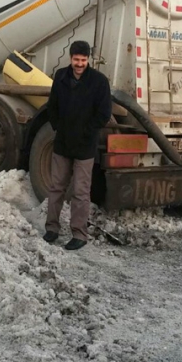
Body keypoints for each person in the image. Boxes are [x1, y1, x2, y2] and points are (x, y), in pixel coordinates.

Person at [44, 40, 112, 251]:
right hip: (63, 143)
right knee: (56, 188)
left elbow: (104, 113)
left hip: (84, 146)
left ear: (89, 59)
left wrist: (86, 132)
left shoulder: (99, 81)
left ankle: (79, 234)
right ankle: (52, 229)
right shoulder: (61, 77)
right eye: (76, 60)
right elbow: (52, 106)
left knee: (81, 192)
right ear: (70, 58)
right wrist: (58, 127)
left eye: (83, 60)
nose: (80, 64)